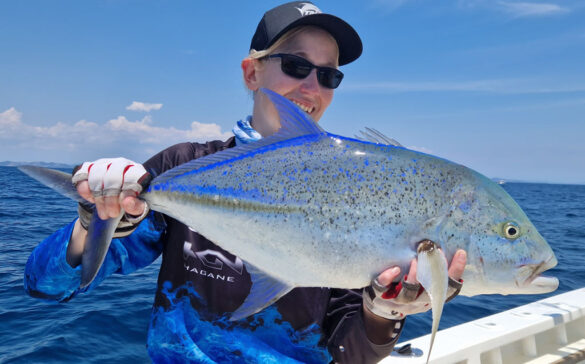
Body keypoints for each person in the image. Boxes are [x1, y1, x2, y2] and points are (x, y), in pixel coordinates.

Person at [24, 2, 467, 363]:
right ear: (251, 73)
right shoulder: (187, 164)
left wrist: (386, 310)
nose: (312, 87)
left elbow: (349, 354)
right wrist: (93, 221)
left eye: (329, 75)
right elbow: (48, 286)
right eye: (295, 65)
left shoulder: (361, 191)